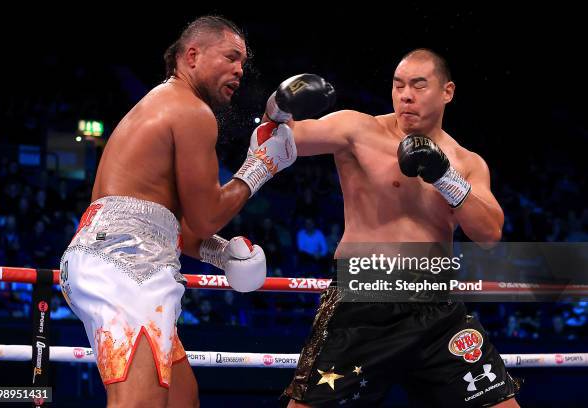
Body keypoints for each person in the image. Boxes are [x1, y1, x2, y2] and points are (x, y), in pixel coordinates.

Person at [58, 15, 304, 408]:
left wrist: (220, 253)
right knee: (139, 404)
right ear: (192, 56)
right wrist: (261, 166)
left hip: (117, 255)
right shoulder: (191, 111)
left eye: (243, 61)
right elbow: (206, 217)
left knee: (181, 398)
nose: (240, 70)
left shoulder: (165, 104)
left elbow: (158, 221)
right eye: (231, 57)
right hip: (128, 265)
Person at [259, 51, 520, 407]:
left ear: (447, 92)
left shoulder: (466, 162)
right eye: (398, 85)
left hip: (435, 308)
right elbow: (270, 144)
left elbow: (490, 233)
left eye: (418, 85)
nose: (405, 95)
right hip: (362, 302)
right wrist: (278, 106)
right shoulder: (357, 129)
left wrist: (445, 178)